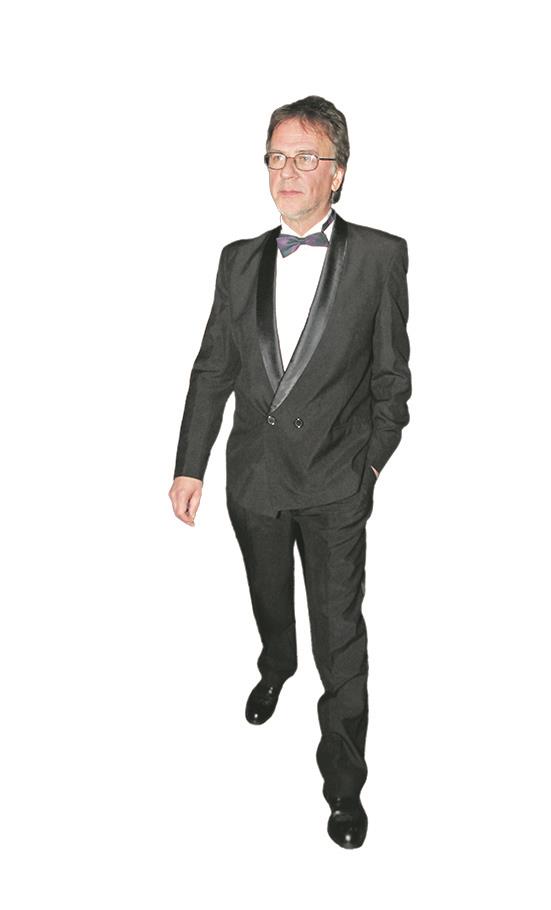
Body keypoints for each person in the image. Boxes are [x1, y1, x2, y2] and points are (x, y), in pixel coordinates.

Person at [169, 95, 412, 848]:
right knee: (270, 599)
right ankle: (276, 662)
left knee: (341, 641)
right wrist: (189, 464)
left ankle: (344, 786)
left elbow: (391, 383)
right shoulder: (237, 259)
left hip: (337, 488)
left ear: (337, 173)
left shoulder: (380, 257)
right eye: (277, 156)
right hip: (256, 483)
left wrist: (368, 468)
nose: (288, 171)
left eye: (307, 157)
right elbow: (213, 368)